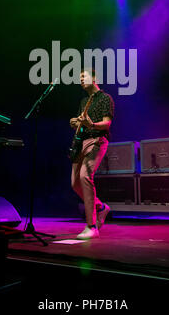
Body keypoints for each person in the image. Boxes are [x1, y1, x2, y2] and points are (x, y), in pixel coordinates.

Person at [69, 68, 114, 239]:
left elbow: (107, 123)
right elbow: (83, 123)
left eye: (84, 76)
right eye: (79, 78)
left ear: (94, 78)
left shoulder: (105, 98)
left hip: (97, 140)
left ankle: (91, 226)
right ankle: (101, 207)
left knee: (85, 176)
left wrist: (92, 125)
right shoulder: (84, 101)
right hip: (81, 143)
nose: (80, 80)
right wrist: (76, 123)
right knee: (75, 183)